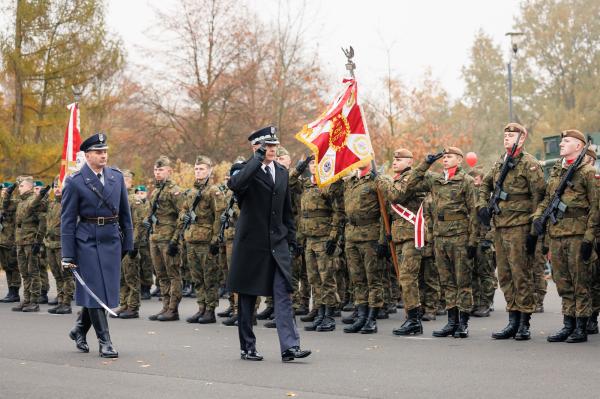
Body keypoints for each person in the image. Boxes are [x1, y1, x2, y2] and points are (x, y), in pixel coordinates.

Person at [227, 126, 311, 362]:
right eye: (267, 146)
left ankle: (290, 347)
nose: (272, 150)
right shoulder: (244, 170)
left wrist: (292, 239)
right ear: (256, 148)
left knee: (283, 293)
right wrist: (256, 160)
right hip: (252, 245)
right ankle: (248, 346)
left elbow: (286, 211)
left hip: (277, 243)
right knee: (248, 298)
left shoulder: (282, 173)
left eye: (274, 146)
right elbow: (236, 185)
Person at [62, 133, 134, 358]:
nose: (104, 155)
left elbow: (125, 213)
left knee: (103, 290)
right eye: (98, 152)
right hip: (87, 241)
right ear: (87, 155)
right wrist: (68, 254)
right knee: (94, 289)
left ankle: (79, 329)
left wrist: (128, 242)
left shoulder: (116, 176)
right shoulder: (75, 182)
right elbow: (67, 220)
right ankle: (106, 342)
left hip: (112, 239)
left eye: (105, 151)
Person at [399, 147, 478, 338]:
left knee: (462, 282)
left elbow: (474, 211)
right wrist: (426, 162)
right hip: (440, 237)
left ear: (459, 160)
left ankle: (463, 323)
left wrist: (473, 240)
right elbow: (412, 181)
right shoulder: (435, 180)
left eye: (449, 157)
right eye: (443, 157)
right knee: (447, 282)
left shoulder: (466, 181)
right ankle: (452, 322)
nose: (445, 159)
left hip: (460, 237)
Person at [478, 123, 545, 340]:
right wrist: (482, 206)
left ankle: (524, 322)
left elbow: (539, 198)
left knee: (520, 274)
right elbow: (485, 185)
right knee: (505, 275)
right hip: (500, 226)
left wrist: (534, 230)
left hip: (520, 227)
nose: (506, 138)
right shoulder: (500, 162)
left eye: (511, 135)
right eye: (505, 135)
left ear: (522, 138)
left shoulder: (530, 164)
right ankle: (512, 319)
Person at [533, 130, 598, 343]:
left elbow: (596, 207)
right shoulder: (556, 171)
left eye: (567, 141)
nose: (561, 144)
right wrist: (538, 217)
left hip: (578, 235)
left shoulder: (587, 172)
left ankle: (581, 325)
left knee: (581, 283)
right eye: (561, 140)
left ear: (579, 146)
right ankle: (567, 324)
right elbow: (546, 199)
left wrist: (589, 237)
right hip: (557, 234)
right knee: (563, 282)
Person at [378, 148, 427, 336]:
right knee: (403, 278)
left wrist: (381, 180)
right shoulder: (396, 180)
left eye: (400, 159)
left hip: (412, 234)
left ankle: (415, 319)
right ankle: (412, 317)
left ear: (410, 162)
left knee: (408, 277)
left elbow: (397, 196)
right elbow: (389, 213)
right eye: (394, 159)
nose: (395, 162)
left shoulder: (411, 179)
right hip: (399, 235)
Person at [177, 155, 224, 324]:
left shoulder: (213, 191)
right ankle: (201, 307)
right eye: (196, 169)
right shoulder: (191, 192)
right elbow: (182, 211)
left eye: (202, 169)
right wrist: (185, 216)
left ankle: (210, 310)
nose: (198, 172)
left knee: (209, 277)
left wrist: (215, 240)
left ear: (209, 171)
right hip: (192, 238)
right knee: (197, 277)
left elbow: (219, 216)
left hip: (206, 240)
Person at [144, 156, 183, 321]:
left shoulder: (174, 191)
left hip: (168, 239)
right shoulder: (156, 190)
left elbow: (183, 215)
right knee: (161, 275)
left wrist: (175, 240)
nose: (157, 173)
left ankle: (173, 309)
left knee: (173, 274)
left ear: (169, 171)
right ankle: (166, 306)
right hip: (155, 237)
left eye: (161, 170)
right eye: (156, 170)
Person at [12, 176, 48, 312]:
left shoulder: (35, 200)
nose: (19, 189)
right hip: (20, 242)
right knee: (24, 272)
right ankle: (26, 300)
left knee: (33, 272)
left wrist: (38, 241)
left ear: (28, 187)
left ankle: (34, 301)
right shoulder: (22, 202)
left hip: (30, 241)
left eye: (21, 186)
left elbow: (42, 222)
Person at [40, 176, 74, 314]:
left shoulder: (69, 203)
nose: (57, 189)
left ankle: (66, 303)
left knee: (67, 276)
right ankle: (60, 300)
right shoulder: (52, 204)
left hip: (63, 245)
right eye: (55, 186)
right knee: (57, 275)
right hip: (50, 244)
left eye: (60, 185)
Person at [0, 182, 21, 303]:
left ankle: (15, 292)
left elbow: (6, 204)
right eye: (2, 190)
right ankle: (10, 291)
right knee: (6, 267)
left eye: (5, 190)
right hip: (2, 241)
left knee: (14, 267)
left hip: (11, 240)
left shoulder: (13, 203)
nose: (3, 191)